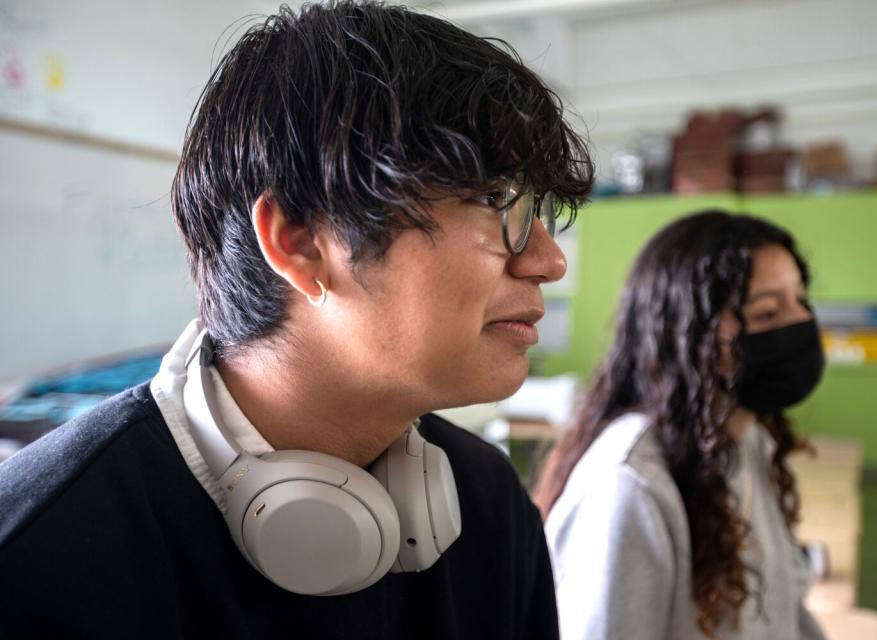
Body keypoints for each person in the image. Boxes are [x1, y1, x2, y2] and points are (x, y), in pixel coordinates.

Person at [0, 2, 593, 637]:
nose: (548, 260)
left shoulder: (489, 504)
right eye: (491, 198)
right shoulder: (37, 555)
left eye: (539, 210)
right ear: (300, 240)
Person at [534, 211, 827, 640]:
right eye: (766, 314)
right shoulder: (631, 487)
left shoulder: (751, 444)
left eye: (802, 301)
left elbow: (786, 612)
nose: (800, 324)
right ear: (688, 334)